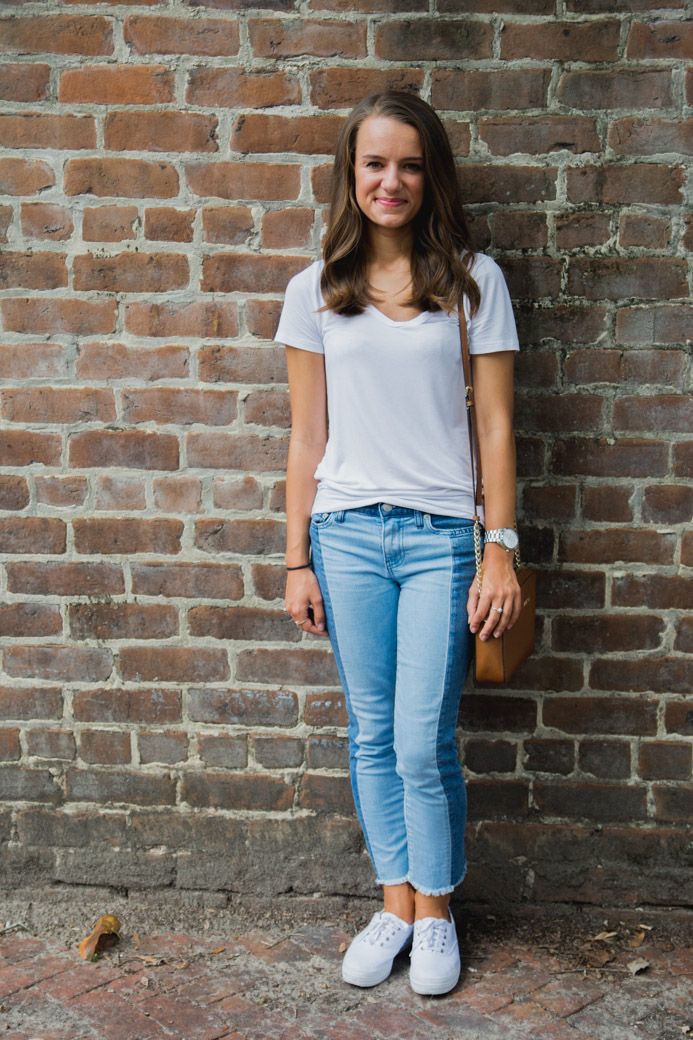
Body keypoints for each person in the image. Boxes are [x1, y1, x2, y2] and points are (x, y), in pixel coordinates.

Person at [274, 90, 522, 996]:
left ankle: (436, 911)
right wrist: (295, 555)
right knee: (369, 734)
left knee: (423, 741)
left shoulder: (471, 280)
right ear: (350, 174)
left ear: (432, 176)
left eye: (409, 164)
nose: (391, 181)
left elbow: (494, 427)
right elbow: (306, 437)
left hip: (439, 539)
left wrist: (498, 546)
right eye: (374, 163)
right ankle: (392, 904)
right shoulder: (315, 291)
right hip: (343, 535)